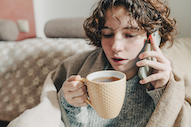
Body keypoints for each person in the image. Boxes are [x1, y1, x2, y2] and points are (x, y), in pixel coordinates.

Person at [52, 0, 191, 127]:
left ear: (152, 36)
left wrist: (164, 92)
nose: (115, 47)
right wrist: (69, 104)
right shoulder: (74, 67)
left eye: (129, 35)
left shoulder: (170, 75)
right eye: (107, 34)